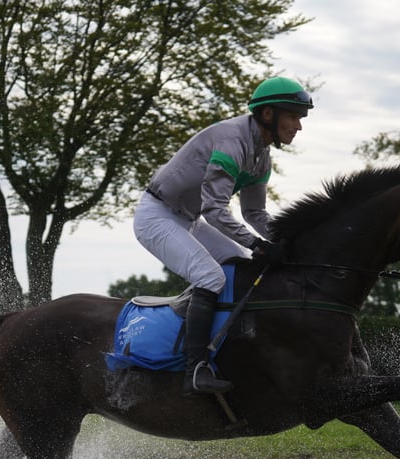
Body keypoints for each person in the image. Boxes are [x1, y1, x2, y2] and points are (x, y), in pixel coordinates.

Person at [133, 76, 313, 396]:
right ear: (268, 114)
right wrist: (258, 243)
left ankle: (234, 354)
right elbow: (215, 210)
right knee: (210, 277)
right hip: (155, 216)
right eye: (294, 116)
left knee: (243, 266)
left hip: (187, 219)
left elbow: (254, 214)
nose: (299, 126)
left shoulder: (262, 157)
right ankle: (195, 370)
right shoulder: (232, 140)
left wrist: (283, 242)